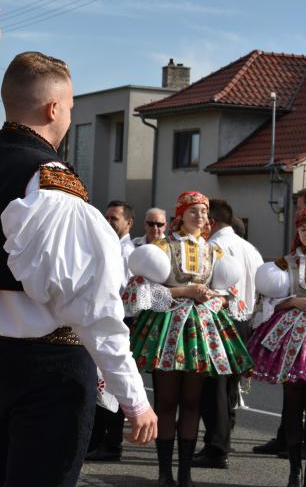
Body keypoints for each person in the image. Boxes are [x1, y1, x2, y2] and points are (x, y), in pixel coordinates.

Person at [0, 0, 157, 487]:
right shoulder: (53, 189)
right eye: (68, 107)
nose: (69, 117)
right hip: (52, 367)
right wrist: (133, 399)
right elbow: (95, 312)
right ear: (53, 108)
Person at [129, 190, 253, 487]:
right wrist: (186, 291)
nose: (200, 216)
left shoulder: (215, 252)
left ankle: (184, 473)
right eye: (193, 211)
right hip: (169, 330)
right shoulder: (162, 247)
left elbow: (228, 294)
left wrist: (215, 297)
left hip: (200, 332)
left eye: (204, 211)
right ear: (180, 215)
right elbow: (142, 293)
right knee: (167, 401)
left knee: (192, 402)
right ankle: (164, 473)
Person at [193, 198, 263, 470]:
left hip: (219, 319)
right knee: (229, 386)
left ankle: (216, 447)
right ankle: (224, 439)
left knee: (214, 389)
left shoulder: (212, 247)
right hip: (244, 320)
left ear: (213, 221)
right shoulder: (250, 248)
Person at [248, 206, 306, 487]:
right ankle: (294, 471)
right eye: (303, 228)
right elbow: (268, 302)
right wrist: (294, 302)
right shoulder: (285, 264)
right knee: (293, 406)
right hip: (293, 341)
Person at [86, 200, 136, 463]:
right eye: (105, 217)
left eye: (114, 218)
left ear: (128, 223)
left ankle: (111, 443)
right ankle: (97, 441)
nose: (108, 222)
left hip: (122, 321)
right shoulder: (107, 246)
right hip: (102, 318)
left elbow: (127, 292)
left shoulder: (129, 253)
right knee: (99, 385)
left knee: (114, 383)